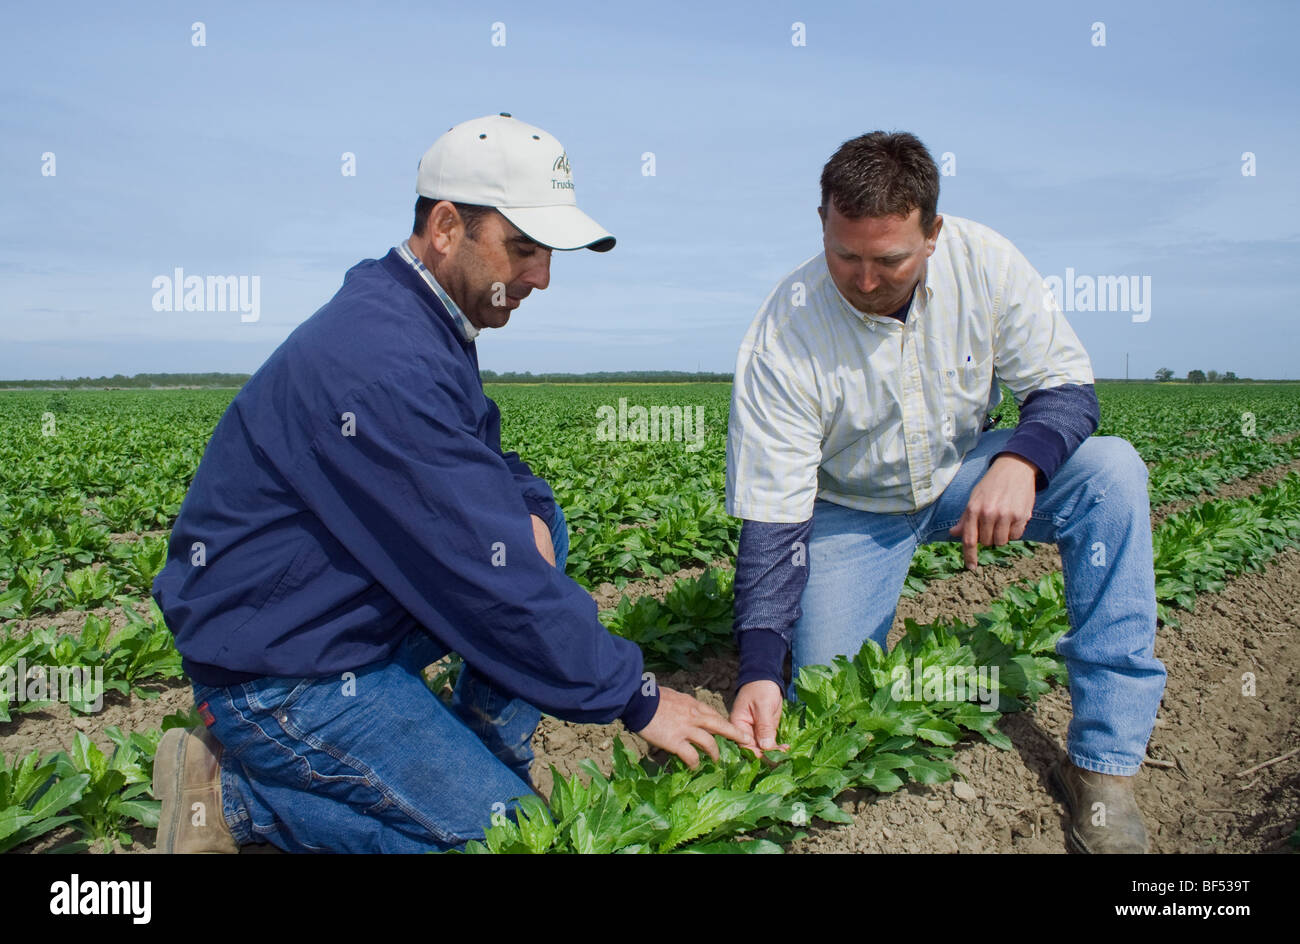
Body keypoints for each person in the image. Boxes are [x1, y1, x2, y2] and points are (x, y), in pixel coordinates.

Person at [151, 113, 750, 854]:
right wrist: (637, 696)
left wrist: (525, 510)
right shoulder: (381, 358)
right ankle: (231, 801)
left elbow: (490, 466)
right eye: (523, 248)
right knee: (519, 844)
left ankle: (478, 760)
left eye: (549, 253)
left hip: (336, 619)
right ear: (444, 226)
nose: (541, 277)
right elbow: (484, 579)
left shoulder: (420, 318)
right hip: (278, 676)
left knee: (537, 526)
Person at [724, 131, 1166, 854]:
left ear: (932, 233)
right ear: (822, 223)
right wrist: (756, 668)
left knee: (1112, 472)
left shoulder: (985, 261)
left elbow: (1066, 388)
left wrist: (1022, 461)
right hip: (852, 510)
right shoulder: (785, 333)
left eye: (888, 260)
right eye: (846, 256)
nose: (864, 281)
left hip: (961, 472)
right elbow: (773, 517)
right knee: (828, 702)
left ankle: (1102, 769)